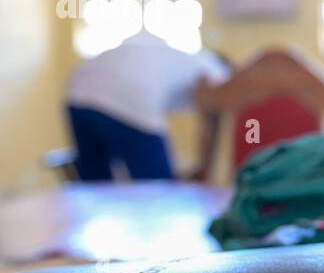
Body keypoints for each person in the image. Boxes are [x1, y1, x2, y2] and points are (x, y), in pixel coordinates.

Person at [65, 29, 230, 182]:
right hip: (131, 94)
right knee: (158, 186)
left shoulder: (181, 55)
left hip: (78, 90)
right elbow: (211, 119)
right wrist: (205, 169)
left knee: (96, 184)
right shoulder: (217, 69)